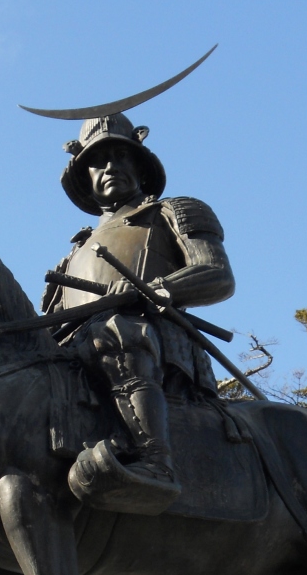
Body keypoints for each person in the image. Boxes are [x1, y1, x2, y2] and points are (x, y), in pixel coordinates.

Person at [42, 112, 235, 514]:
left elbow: (216, 274)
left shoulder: (174, 211)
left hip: (155, 343)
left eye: (121, 156)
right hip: (79, 351)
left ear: (140, 167)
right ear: (85, 177)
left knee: (116, 331)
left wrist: (151, 289)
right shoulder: (71, 254)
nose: (111, 166)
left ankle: (155, 460)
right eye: (98, 160)